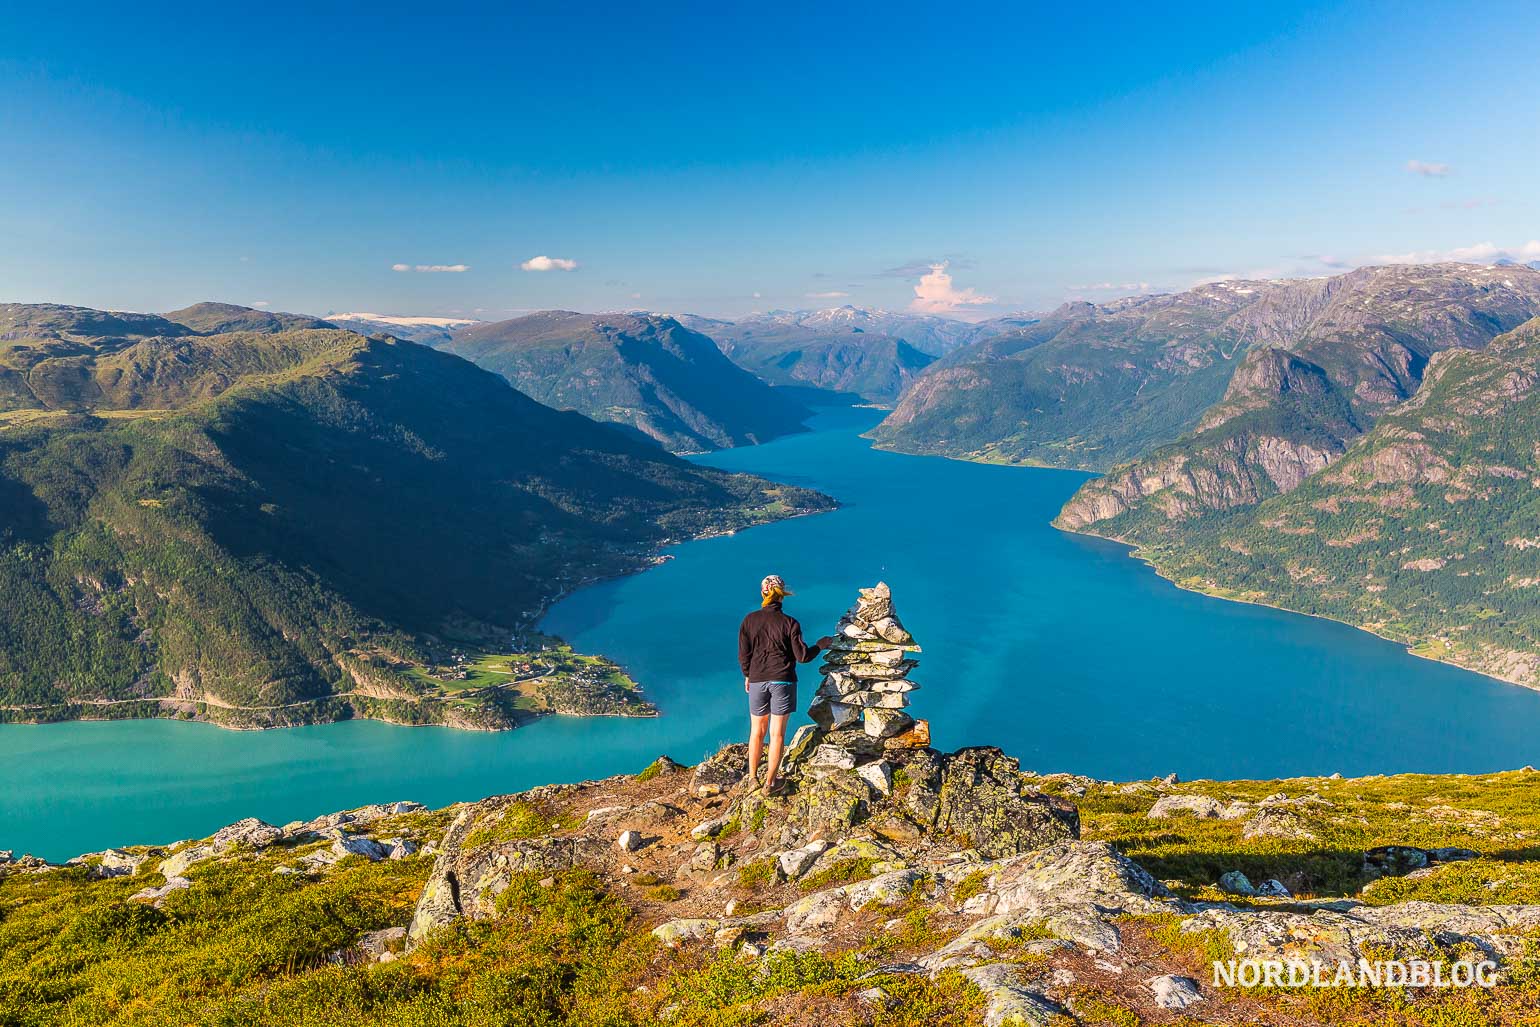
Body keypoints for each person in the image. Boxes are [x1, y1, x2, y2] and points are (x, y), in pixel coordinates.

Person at [738, 574, 836, 794]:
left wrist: (748, 675)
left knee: (756, 732)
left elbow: (744, 655)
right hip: (782, 680)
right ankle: (770, 783)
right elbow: (802, 656)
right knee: (777, 735)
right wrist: (819, 645)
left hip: (757, 680)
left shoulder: (749, 621)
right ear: (782, 596)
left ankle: (753, 778)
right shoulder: (790, 623)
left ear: (763, 593)